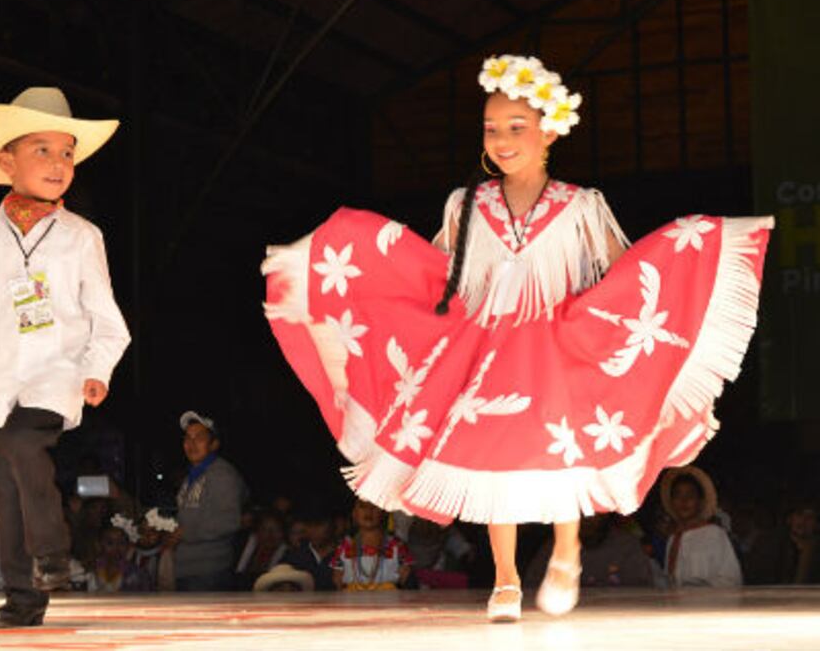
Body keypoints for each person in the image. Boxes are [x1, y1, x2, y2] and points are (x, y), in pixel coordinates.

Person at [261, 54, 772, 621]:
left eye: (516, 127)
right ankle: (505, 579)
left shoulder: (579, 206)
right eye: (492, 128)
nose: (502, 139)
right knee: (490, 453)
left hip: (558, 345)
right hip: (487, 350)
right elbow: (440, 274)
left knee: (564, 446)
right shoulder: (470, 204)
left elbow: (621, 271)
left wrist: (656, 282)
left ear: (549, 130)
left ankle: (568, 548)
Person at [0, 87, 130, 627]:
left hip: (55, 375)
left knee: (25, 445)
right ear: (6, 161)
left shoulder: (81, 237)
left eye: (67, 152)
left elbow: (109, 320)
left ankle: (52, 552)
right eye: (41, 149)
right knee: (0, 492)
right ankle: (24, 599)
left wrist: (96, 371)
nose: (58, 162)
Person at [173, 411, 248, 591]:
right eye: (188, 438)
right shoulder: (192, 476)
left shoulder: (222, 475)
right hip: (188, 570)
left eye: (199, 438)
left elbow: (229, 521)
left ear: (214, 444)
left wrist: (184, 532)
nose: (191, 444)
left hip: (209, 572)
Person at [660, 466, 742, 588]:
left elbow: (732, 579)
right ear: (672, 502)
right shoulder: (673, 538)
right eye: (678, 495)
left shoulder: (715, 534)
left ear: (700, 501)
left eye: (690, 495)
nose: (684, 501)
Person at [524, 513, 654, 588]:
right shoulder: (555, 548)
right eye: (582, 512)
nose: (589, 517)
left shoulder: (626, 546)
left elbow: (644, 589)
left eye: (594, 512)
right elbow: (531, 588)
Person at [331, 499, 413, 591]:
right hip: (352, 601)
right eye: (362, 506)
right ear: (354, 513)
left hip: (388, 601)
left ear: (383, 512)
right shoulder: (344, 546)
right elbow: (337, 580)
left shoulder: (397, 546)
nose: (369, 511)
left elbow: (405, 578)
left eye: (374, 507)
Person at [745, 498, 819, 584]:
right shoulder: (770, 543)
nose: (804, 520)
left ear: (816, 524)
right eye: (799, 514)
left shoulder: (816, 549)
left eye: (810, 517)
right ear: (789, 519)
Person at [283, 508, 338, 591]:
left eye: (319, 525)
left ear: (332, 526)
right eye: (309, 526)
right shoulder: (294, 557)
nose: (313, 531)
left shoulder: (345, 556)